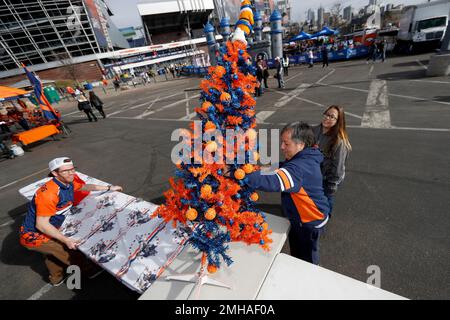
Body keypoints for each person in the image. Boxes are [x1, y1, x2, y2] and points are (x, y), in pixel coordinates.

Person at [19, 157, 123, 286]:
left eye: (72, 169)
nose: (71, 173)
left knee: (52, 254)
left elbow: (84, 186)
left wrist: (108, 187)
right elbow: (41, 224)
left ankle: (56, 278)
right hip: (35, 235)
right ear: (55, 173)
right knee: (71, 252)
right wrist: (66, 240)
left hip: (44, 229)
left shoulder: (67, 183)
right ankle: (89, 270)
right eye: (66, 171)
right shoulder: (49, 194)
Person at [243, 122, 330, 265]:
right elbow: (280, 167)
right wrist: (256, 170)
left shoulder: (299, 168)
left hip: (310, 221)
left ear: (301, 145)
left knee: (307, 261)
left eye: (286, 143)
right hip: (299, 219)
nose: (282, 147)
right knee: (296, 254)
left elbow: (274, 180)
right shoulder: (304, 157)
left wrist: (241, 176)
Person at [313, 106, 352, 215]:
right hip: (315, 176)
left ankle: (325, 217)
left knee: (325, 204)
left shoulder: (339, 141)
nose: (327, 118)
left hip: (328, 180)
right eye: (326, 114)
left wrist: (331, 186)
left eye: (332, 117)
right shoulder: (314, 131)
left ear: (338, 121)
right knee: (314, 203)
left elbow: (338, 169)